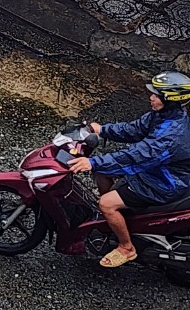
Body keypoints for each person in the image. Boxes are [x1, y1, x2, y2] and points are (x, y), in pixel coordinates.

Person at [68, 70, 190, 268]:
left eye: (156, 95)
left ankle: (126, 247)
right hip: (154, 171)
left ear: (170, 99)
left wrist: (93, 162)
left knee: (106, 203)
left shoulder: (171, 135)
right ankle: (115, 220)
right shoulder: (163, 116)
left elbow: (135, 156)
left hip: (161, 182)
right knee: (103, 171)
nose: (151, 97)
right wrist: (103, 129)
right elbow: (133, 129)